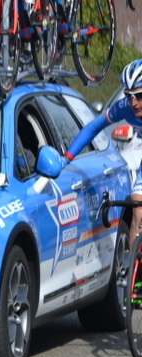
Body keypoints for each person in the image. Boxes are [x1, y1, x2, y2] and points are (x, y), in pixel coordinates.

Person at [64, 59, 142, 234]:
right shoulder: (125, 108)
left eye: (139, 95)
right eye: (129, 96)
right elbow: (93, 127)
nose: (133, 102)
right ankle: (132, 260)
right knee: (138, 213)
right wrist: (68, 156)